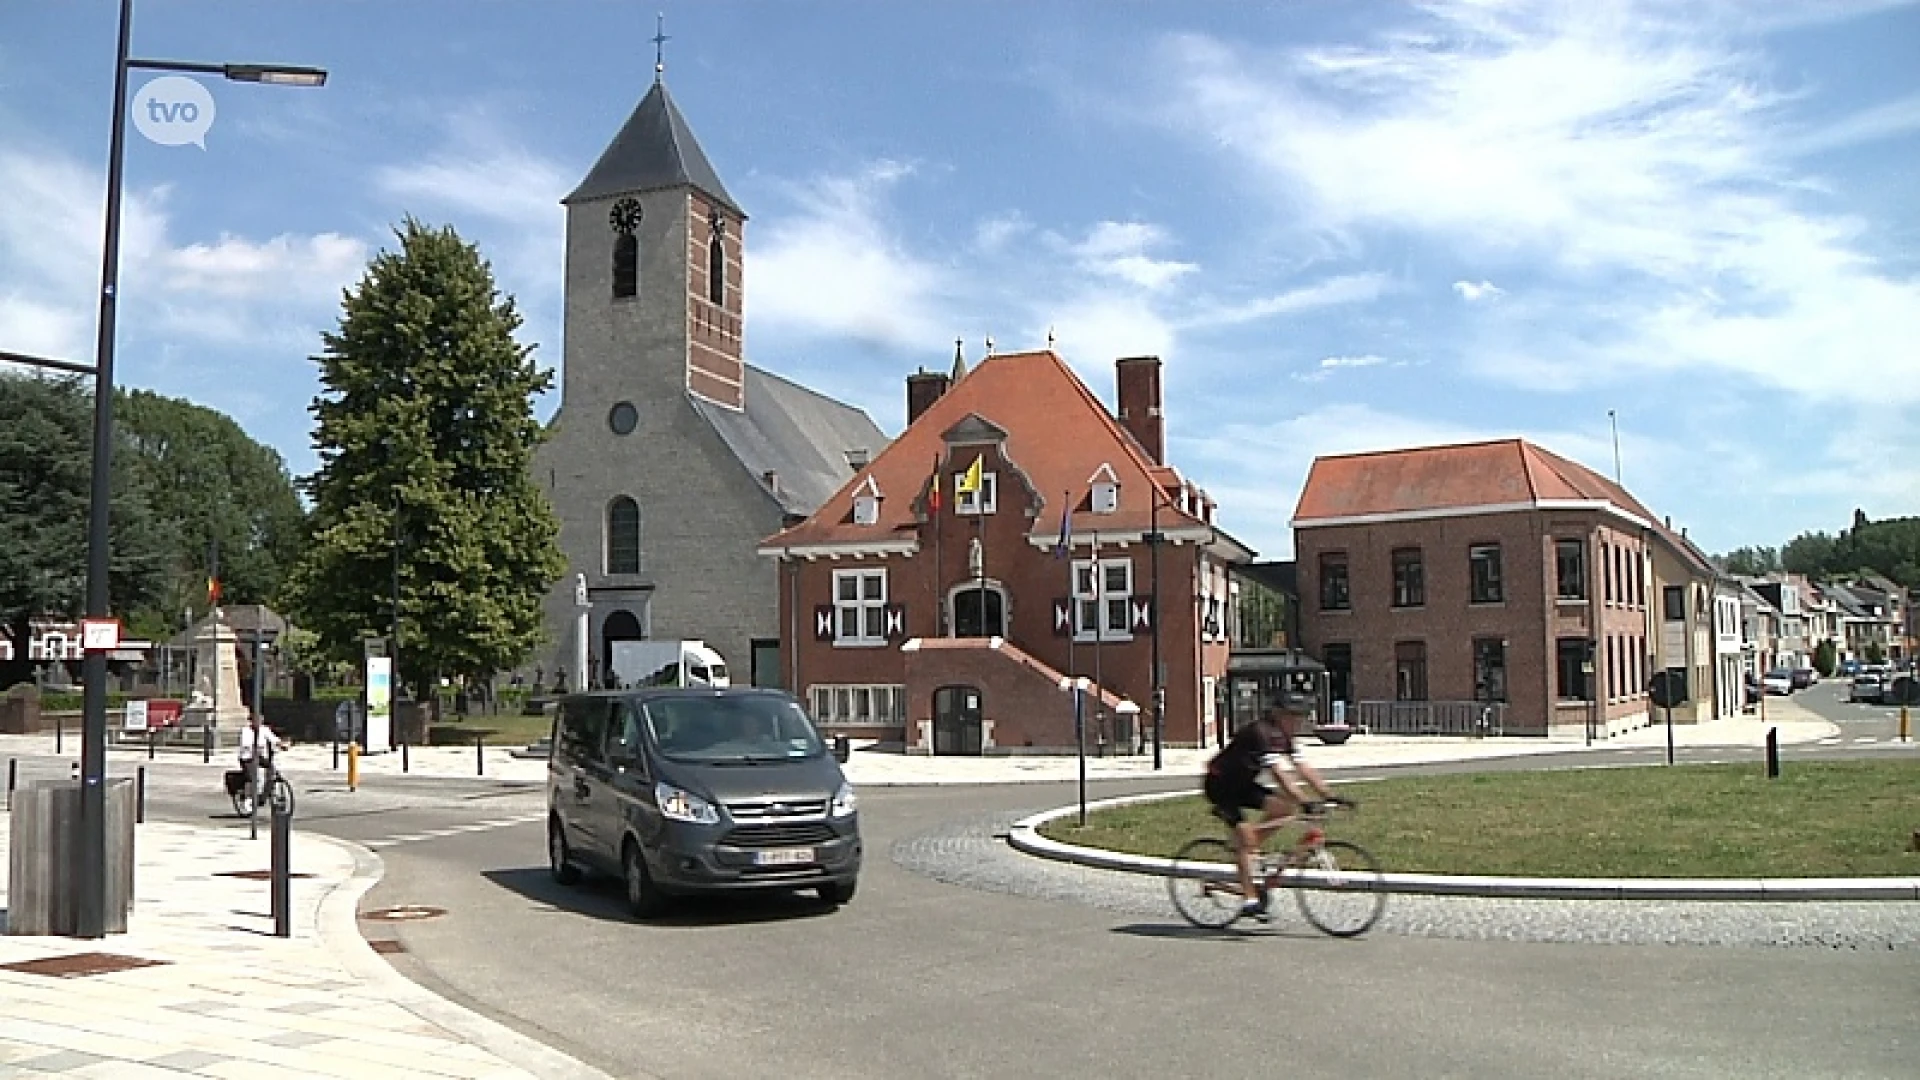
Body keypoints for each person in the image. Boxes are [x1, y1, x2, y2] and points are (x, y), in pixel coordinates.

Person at [1202, 698, 1346, 920]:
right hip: (1221, 786)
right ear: (1280, 716)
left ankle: (1250, 854)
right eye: (1293, 719)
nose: (1297, 724)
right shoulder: (1260, 733)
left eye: (1299, 719)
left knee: (1284, 810)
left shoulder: (1284, 737)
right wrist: (1304, 800)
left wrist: (1330, 795)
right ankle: (1250, 898)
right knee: (1246, 840)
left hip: (1243, 785)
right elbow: (1279, 775)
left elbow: (1302, 767)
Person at [237, 711, 282, 808]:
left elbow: (273, 739)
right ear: (251, 721)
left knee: (272, 770)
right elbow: (245, 744)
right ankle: (247, 797)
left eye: (260, 720)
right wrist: (253, 748)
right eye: (256, 720)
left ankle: (264, 796)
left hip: (259, 756)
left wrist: (281, 744)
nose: (259, 722)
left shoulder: (264, 729)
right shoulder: (246, 731)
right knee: (253, 777)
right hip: (247, 757)